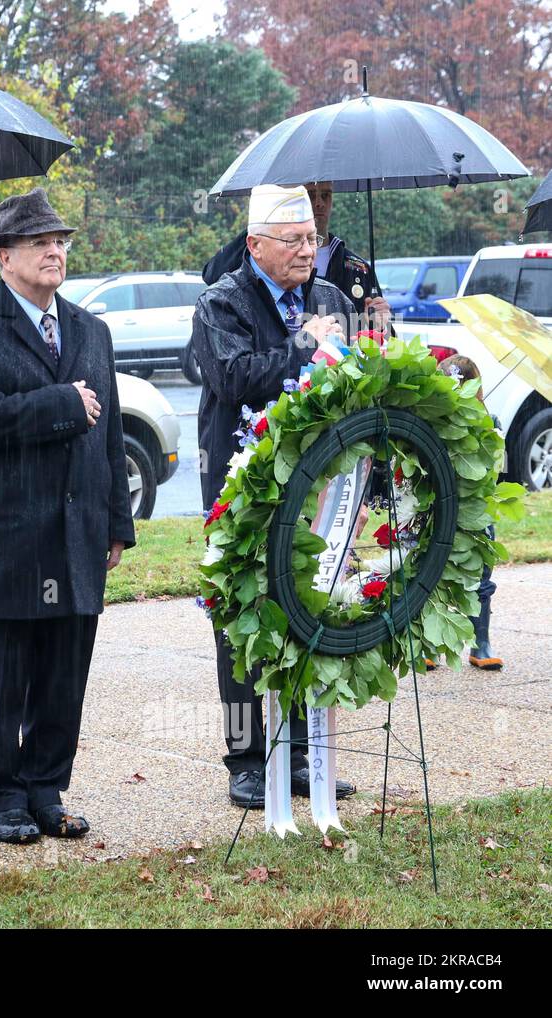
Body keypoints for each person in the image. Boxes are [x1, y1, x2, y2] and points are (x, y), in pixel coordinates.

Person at [0, 187, 134, 844]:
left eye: (60, 241)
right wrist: (58, 404)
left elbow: (107, 438)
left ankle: (46, 788)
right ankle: (0, 796)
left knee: (62, 673)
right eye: (39, 243)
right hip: (6, 534)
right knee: (1, 674)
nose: (55, 251)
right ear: (3, 258)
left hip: (77, 533)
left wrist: (117, 523)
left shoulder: (92, 329)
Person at [190, 184, 357, 809]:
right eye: (293, 241)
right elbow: (231, 377)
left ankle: (302, 753)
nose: (307, 251)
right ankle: (247, 758)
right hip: (242, 482)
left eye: (312, 239)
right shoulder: (222, 302)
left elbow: (359, 368)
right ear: (256, 244)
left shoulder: (331, 297)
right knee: (242, 612)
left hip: (315, 479)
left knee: (307, 605)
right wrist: (304, 346)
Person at [202, 181, 392, 332]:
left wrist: (375, 330)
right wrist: (266, 221)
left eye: (326, 195)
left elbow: (359, 357)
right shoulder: (224, 301)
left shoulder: (354, 272)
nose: (319, 203)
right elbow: (238, 374)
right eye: (310, 194)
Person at [437, 354, 502, 670]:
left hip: (475, 511)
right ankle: (434, 642)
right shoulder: (433, 421)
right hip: (439, 509)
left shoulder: (489, 423)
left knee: (481, 577)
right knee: (432, 571)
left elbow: (492, 472)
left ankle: (481, 641)